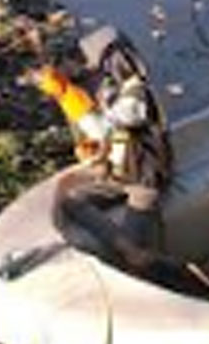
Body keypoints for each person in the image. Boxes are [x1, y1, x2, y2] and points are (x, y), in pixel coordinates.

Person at [38, 25, 178, 272]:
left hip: (145, 176)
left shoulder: (133, 93)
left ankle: (139, 256)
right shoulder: (90, 86)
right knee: (71, 200)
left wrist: (67, 97)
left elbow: (107, 127)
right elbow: (94, 135)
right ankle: (128, 248)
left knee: (133, 249)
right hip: (116, 173)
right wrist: (92, 153)